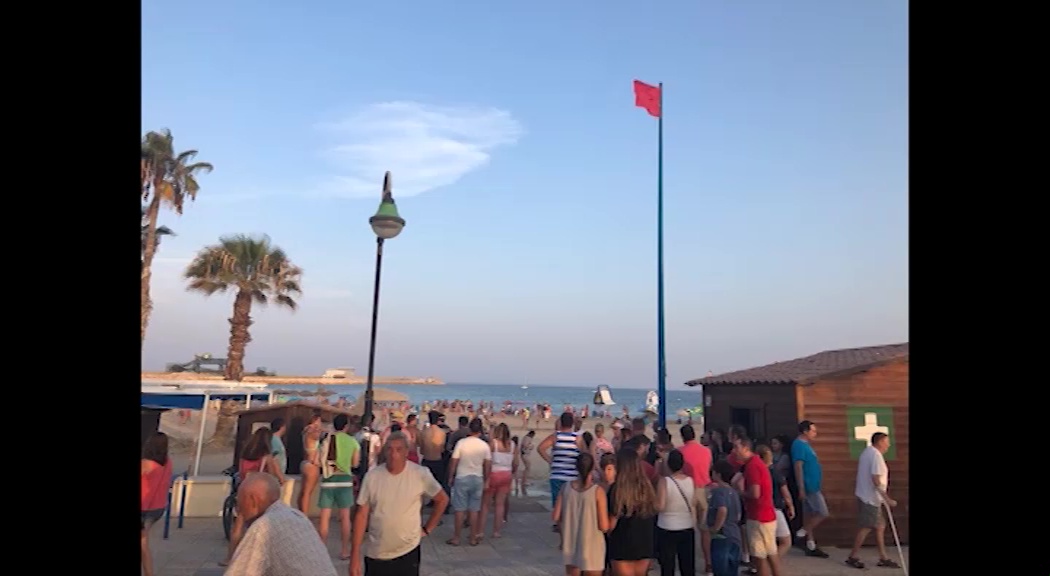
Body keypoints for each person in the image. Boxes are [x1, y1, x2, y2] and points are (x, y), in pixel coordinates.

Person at [350, 432, 449, 576]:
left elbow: (442, 499)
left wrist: (427, 529)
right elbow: (361, 516)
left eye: (399, 449)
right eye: (389, 449)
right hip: (376, 552)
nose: (393, 454)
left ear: (406, 452)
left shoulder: (419, 474)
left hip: (407, 551)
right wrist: (354, 555)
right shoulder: (372, 477)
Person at [225, 473, 338, 576]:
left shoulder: (264, 526)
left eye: (239, 503)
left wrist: (236, 532)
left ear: (254, 500)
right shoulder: (298, 516)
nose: (239, 511)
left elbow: (238, 572)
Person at [223, 427, 285, 566]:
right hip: (261, 496)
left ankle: (230, 557)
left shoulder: (244, 456)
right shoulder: (267, 457)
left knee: (238, 526)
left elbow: (240, 473)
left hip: (244, 491)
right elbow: (280, 478)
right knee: (262, 528)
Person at [845, 432, 901, 569]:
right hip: (870, 498)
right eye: (887, 441)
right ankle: (852, 556)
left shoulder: (867, 452)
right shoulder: (875, 456)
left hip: (869, 497)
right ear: (880, 441)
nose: (888, 445)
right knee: (866, 527)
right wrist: (887, 498)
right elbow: (876, 479)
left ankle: (883, 557)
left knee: (880, 526)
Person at [553, 452, 609, 576]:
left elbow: (555, 516)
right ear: (593, 467)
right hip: (593, 544)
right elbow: (604, 526)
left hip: (571, 542)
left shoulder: (565, 487)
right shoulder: (598, 491)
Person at [607, 448, 657, 576]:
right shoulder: (647, 488)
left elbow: (611, 525)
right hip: (644, 544)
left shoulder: (616, 490)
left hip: (622, 544)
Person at [318, 413, 360, 560]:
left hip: (328, 479)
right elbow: (355, 463)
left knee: (324, 517)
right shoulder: (352, 441)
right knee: (345, 517)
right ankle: (344, 550)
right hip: (345, 480)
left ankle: (322, 548)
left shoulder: (327, 439)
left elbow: (319, 459)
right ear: (346, 426)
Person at [737, 439, 782, 576]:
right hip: (765, 515)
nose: (734, 451)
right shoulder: (757, 463)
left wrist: (741, 492)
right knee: (770, 553)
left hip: (758, 516)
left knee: (760, 556)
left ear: (745, 448)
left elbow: (755, 493)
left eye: (736, 447)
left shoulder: (752, 466)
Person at [654, 449, 702, 576]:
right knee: (687, 566)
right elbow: (695, 502)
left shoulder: (664, 482)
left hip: (667, 526)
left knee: (668, 566)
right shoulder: (691, 481)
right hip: (686, 525)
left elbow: (661, 506)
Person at [537, 412, 586, 532]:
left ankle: (561, 533)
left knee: (558, 505)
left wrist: (550, 460)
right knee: (571, 504)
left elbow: (541, 448)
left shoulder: (555, 436)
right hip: (572, 477)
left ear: (561, 422)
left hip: (557, 475)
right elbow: (585, 455)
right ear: (572, 423)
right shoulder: (577, 438)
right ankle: (569, 529)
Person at [447, 417, 491, 546]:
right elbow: (487, 464)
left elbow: (454, 460)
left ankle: (456, 537)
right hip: (477, 477)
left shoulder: (462, 443)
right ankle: (472, 537)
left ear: (470, 429)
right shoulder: (484, 445)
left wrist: (451, 476)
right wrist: (487, 479)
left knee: (460, 509)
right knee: (474, 509)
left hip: (462, 476)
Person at [677, 424, 713, 574]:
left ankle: (686, 561)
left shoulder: (679, 452)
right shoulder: (706, 451)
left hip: (688, 489)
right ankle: (708, 562)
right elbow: (709, 467)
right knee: (705, 529)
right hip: (704, 488)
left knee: (687, 528)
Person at [791, 420, 830, 557]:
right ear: (805, 431)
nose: (815, 433)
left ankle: (811, 545)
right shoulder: (799, 445)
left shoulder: (806, 445)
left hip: (813, 484)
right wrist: (801, 487)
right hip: (809, 486)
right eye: (813, 431)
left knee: (809, 514)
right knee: (822, 512)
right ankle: (802, 531)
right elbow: (798, 466)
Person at [141, 432, 173, 576]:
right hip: (158, 508)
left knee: (143, 544)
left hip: (144, 508)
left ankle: (149, 573)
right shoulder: (167, 462)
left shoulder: (146, 464)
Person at [756, 444, 794, 557]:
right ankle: (772, 564)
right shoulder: (775, 473)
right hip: (775, 509)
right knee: (785, 541)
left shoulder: (755, 471)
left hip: (759, 509)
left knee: (763, 542)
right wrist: (790, 506)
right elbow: (785, 492)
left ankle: (758, 566)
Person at [706, 460, 742, 576]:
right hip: (734, 535)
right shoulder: (733, 492)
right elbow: (738, 515)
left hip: (722, 536)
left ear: (719, 475)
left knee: (721, 570)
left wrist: (716, 528)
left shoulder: (718, 492)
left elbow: (722, 509)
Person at [480, 422, 515, 538]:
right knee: (500, 505)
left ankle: (480, 531)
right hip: (507, 474)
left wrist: (486, 477)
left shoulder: (493, 443)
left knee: (485, 504)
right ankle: (496, 531)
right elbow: (516, 463)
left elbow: (487, 461)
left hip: (494, 473)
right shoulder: (513, 445)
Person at [419, 410, 448, 501]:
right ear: (438, 420)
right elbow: (442, 449)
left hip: (427, 459)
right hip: (437, 459)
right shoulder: (442, 433)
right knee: (439, 484)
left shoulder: (423, 432)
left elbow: (422, 450)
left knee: (424, 484)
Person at [299, 415, 323, 512]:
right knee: (308, 493)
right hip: (312, 465)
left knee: (303, 491)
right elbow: (319, 436)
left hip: (305, 462)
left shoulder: (306, 432)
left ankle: (301, 513)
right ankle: (304, 515)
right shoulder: (312, 432)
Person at [515, 430, 535, 496]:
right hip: (525, 454)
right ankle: (524, 481)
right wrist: (531, 446)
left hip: (524, 454)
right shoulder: (527, 438)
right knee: (528, 468)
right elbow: (525, 446)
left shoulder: (525, 437)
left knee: (527, 467)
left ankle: (524, 480)